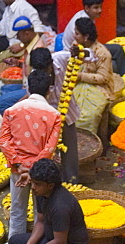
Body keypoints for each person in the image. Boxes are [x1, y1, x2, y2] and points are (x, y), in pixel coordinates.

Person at [0, 70, 61, 239]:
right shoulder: (54, 115)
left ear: (27, 88)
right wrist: (33, 169)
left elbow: (3, 141)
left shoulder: (12, 111)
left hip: (17, 170)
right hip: (40, 173)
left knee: (17, 209)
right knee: (40, 210)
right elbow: (50, 147)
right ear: (48, 90)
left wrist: (19, 164)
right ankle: (39, 243)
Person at [28, 47, 79, 182]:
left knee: (70, 151)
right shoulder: (34, 77)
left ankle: (72, 181)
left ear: (51, 64)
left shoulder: (61, 58)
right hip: (47, 119)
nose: (44, 74)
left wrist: (80, 52)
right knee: (48, 153)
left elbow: (90, 55)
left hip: (67, 114)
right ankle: (50, 183)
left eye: (47, 70)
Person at [61, 0, 125, 75]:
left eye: (100, 7)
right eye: (96, 8)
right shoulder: (83, 23)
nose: (100, 10)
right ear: (87, 8)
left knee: (118, 49)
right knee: (114, 65)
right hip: (78, 56)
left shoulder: (84, 15)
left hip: (87, 50)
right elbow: (88, 50)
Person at [72, 17, 115, 133]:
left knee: (88, 116)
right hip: (79, 86)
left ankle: (90, 142)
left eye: (77, 33)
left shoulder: (102, 53)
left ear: (86, 37)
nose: (74, 36)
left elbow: (103, 78)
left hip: (100, 89)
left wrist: (80, 76)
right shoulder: (77, 47)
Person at [0, 16, 46, 81]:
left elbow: (37, 75)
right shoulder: (30, 44)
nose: (17, 38)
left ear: (27, 34)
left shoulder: (37, 49)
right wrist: (18, 64)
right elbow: (30, 67)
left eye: (18, 35)